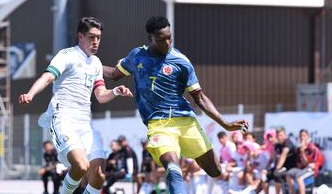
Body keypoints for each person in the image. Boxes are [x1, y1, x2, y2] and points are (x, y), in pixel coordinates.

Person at [103, 16, 248, 193]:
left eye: (169, 37)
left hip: (186, 122)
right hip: (158, 125)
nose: (167, 42)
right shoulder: (137, 56)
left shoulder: (181, 62)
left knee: (215, 170)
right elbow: (113, 73)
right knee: (172, 165)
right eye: (161, 39)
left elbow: (199, 98)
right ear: (150, 38)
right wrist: (89, 63)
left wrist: (225, 124)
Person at [18, 17, 133, 194]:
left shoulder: (95, 63)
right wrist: (30, 94)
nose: (95, 41)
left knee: (99, 174)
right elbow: (47, 77)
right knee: (80, 165)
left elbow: (101, 96)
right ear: (80, 36)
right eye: (91, 37)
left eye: (98, 38)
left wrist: (116, 91)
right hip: (63, 118)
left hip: (84, 123)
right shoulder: (67, 55)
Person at [286, 129, 323, 194]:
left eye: (304, 136)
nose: (302, 138)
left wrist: (303, 152)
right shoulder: (298, 149)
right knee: (288, 173)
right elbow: (298, 164)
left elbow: (308, 163)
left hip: (311, 169)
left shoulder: (312, 148)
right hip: (302, 169)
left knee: (299, 177)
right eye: (301, 136)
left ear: (308, 137)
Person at [263, 127, 297, 194]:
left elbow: (283, 156)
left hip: (289, 168)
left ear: (285, 135)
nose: (279, 137)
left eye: (281, 135)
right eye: (278, 135)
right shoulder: (277, 145)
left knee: (277, 174)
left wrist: (277, 168)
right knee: (264, 177)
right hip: (280, 168)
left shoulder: (288, 143)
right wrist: (265, 169)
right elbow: (272, 158)